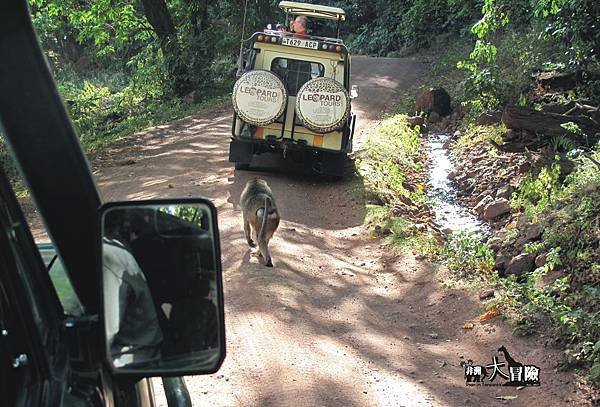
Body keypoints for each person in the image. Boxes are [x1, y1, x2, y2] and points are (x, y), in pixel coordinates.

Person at [103, 236, 163, 368]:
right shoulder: (112, 251)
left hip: (126, 362)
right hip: (125, 356)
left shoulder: (106, 257)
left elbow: (105, 336)